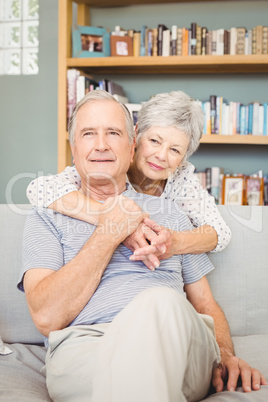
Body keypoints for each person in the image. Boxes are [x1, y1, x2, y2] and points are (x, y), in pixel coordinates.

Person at [18, 90, 266, 402]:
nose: (101, 145)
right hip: (87, 349)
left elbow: (205, 305)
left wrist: (226, 355)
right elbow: (46, 318)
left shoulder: (173, 211)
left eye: (113, 133)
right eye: (88, 134)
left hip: (177, 343)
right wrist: (112, 228)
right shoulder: (48, 211)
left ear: (131, 142)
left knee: (159, 304)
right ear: (73, 147)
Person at [26, 91, 231, 270]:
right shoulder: (108, 164)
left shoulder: (180, 180)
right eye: (154, 141)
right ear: (136, 136)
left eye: (175, 150)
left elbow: (219, 232)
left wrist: (174, 242)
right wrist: (121, 223)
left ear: (184, 158)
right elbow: (39, 189)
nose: (161, 155)